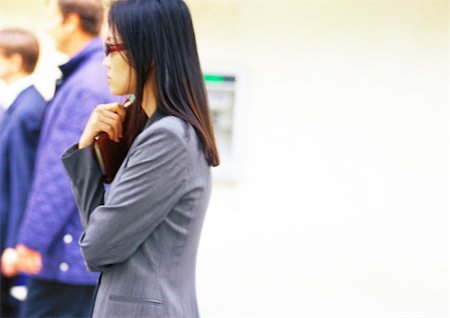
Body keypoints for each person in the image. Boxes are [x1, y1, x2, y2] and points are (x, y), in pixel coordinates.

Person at [61, 0, 220, 317]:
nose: (104, 62)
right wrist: (88, 149)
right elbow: (100, 237)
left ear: (147, 49)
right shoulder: (156, 131)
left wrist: (88, 159)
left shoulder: (167, 139)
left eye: (110, 47)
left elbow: (96, 248)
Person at [15, 0, 117, 317]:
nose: (46, 27)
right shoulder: (89, 75)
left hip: (65, 251)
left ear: (71, 22)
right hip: (76, 247)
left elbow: (61, 171)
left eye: (51, 18)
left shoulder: (86, 84)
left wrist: (30, 242)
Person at [0, 28, 47, 318]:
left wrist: (15, 245)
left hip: (8, 237)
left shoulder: (27, 110)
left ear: (15, 61)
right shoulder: (15, 106)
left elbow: (24, 183)